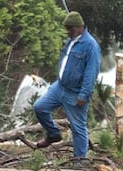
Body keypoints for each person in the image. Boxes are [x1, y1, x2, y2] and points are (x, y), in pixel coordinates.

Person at [33, 10, 101, 161]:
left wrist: (83, 95)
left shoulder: (91, 46)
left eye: (69, 29)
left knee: (78, 128)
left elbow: (91, 74)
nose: (67, 32)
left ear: (78, 27)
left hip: (75, 92)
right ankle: (53, 134)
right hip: (60, 87)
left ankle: (80, 162)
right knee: (39, 107)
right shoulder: (69, 42)